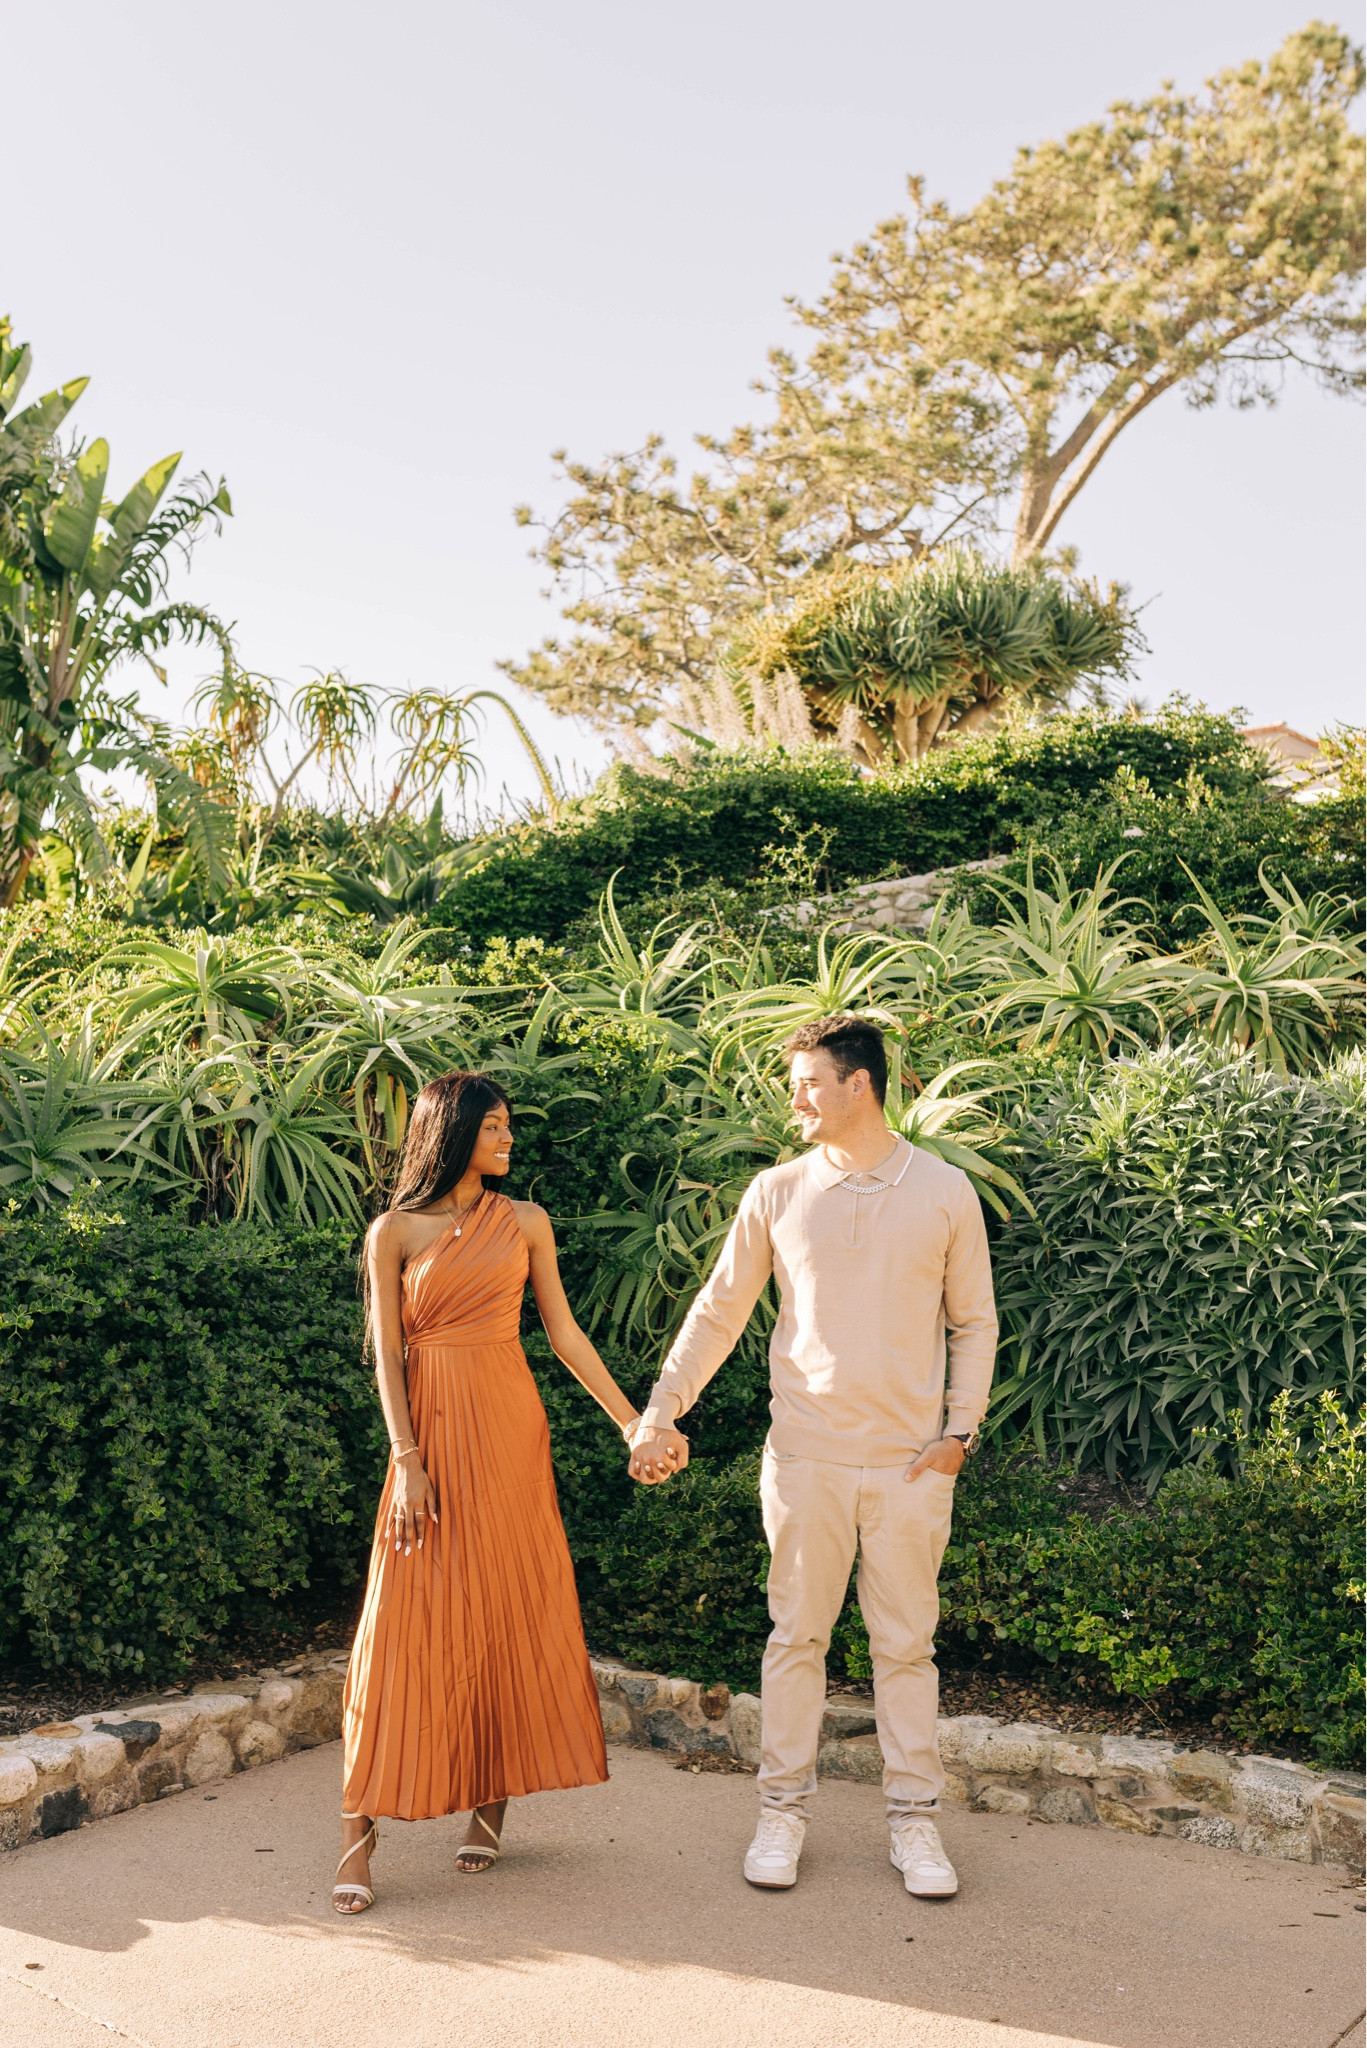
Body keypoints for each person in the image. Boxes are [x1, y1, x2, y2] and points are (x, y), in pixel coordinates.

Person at [628, 1014, 997, 1899]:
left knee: (905, 1649)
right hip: (804, 1460)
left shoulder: (943, 1190)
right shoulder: (776, 1190)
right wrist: (660, 1409)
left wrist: (958, 1436)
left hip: (911, 1466)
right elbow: (718, 1312)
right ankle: (781, 1813)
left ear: (856, 1084)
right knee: (796, 1639)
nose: (793, 1099)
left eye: (806, 1083)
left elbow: (974, 1320)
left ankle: (915, 1827)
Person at [333, 1070, 649, 1913]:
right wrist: (406, 1456)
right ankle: (358, 1836)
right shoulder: (392, 1231)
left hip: (509, 1432)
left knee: (505, 1606)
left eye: (511, 1127)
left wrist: (630, 1422)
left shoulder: (527, 1223)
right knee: (399, 1622)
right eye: (495, 1128)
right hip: (429, 1436)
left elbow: (565, 1332)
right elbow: (388, 1353)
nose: (509, 1140)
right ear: (452, 1133)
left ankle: (490, 1803)